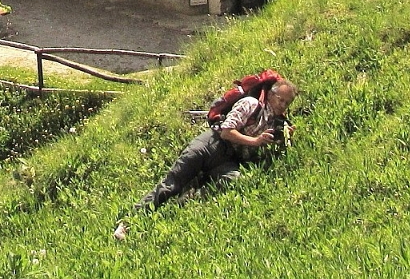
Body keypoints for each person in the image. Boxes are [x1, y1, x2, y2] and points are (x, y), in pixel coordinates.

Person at [113, 78, 298, 240]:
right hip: (211, 143)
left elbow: (271, 148)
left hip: (229, 159)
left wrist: (284, 137)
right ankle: (128, 221)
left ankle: (174, 210)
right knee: (172, 184)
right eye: (280, 99)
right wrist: (255, 141)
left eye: (287, 103)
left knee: (232, 180)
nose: (282, 105)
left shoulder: (277, 123)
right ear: (271, 94)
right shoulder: (250, 104)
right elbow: (227, 132)